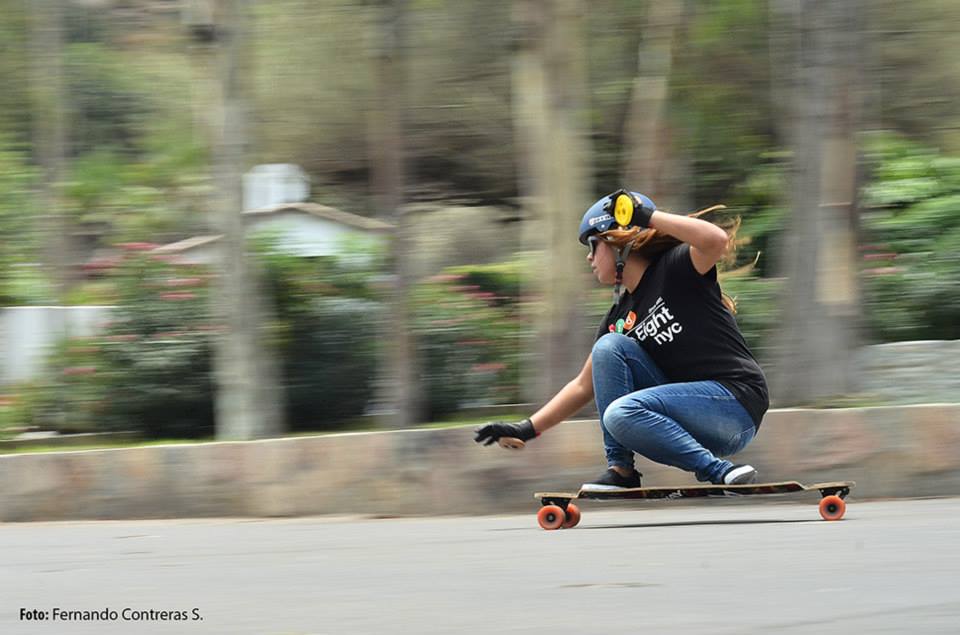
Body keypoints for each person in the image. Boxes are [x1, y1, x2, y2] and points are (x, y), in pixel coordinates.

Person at [474, 189, 769, 490]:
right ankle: (621, 471)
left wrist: (647, 217)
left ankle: (718, 471)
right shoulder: (618, 317)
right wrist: (526, 428)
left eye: (592, 245)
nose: (589, 257)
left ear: (618, 243)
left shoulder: (676, 269)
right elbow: (582, 386)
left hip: (734, 405)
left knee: (620, 412)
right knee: (609, 347)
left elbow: (716, 241)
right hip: (686, 415)